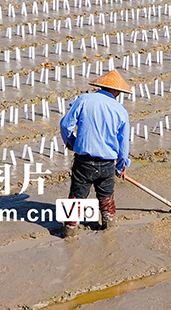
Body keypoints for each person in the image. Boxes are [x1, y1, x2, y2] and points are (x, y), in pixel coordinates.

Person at [59, 70, 132, 237]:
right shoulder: (120, 110)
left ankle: (69, 234)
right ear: (116, 91)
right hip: (107, 164)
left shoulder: (84, 100)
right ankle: (109, 231)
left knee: (76, 198)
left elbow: (65, 125)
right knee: (106, 200)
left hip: (83, 162)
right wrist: (121, 165)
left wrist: (71, 142)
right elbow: (123, 143)